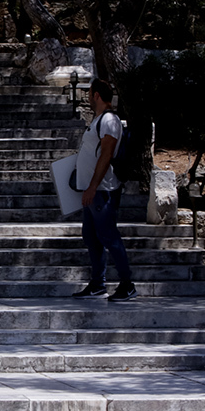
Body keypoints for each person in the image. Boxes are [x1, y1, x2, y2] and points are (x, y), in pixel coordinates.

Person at [72, 78, 137, 302]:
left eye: (89, 93)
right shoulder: (99, 120)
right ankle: (97, 283)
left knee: (109, 236)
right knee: (91, 236)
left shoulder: (109, 121)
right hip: (93, 190)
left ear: (97, 95)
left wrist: (92, 186)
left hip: (102, 189)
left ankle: (127, 284)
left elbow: (107, 154)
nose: (88, 97)